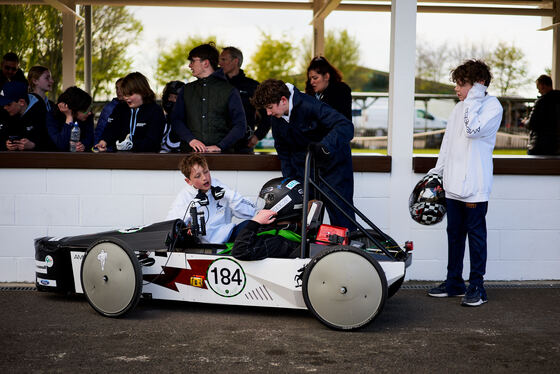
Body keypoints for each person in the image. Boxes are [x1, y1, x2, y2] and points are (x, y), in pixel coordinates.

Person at [426, 59, 503, 307]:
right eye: (456, 85)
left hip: (476, 187)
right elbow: (447, 143)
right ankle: (454, 283)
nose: (456, 90)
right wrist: (436, 173)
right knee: (454, 235)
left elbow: (472, 130)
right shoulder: (459, 108)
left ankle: (477, 287)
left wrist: (474, 99)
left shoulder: (492, 107)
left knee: (476, 236)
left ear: (479, 85)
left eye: (461, 84)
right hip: (453, 184)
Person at [252, 79, 357, 231]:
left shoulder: (310, 106)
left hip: (334, 169)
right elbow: (283, 150)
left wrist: (324, 147)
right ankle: (309, 253)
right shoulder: (276, 117)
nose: (268, 113)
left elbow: (345, 126)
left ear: (283, 100)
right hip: (304, 171)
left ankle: (348, 252)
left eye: (270, 107)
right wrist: (290, 183)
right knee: (305, 220)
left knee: (341, 216)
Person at [170, 43, 246, 153]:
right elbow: (176, 120)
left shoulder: (229, 90)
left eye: (192, 61)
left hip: (223, 158)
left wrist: (220, 146)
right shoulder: (186, 90)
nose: (190, 65)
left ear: (205, 63)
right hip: (190, 157)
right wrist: (191, 140)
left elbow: (240, 125)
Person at [166, 154, 256, 244]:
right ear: (188, 181)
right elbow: (169, 228)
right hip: (201, 248)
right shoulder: (185, 196)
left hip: (228, 239)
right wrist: (194, 206)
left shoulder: (218, 186)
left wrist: (229, 194)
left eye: (206, 172)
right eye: (198, 176)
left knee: (256, 224)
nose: (204, 178)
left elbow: (252, 212)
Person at [231, 177, 303, 260]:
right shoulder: (293, 231)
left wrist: (255, 222)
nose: (263, 206)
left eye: (265, 201)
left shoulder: (277, 242)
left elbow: (240, 251)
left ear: (280, 203)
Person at [95, 72, 165, 153]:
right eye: (125, 94)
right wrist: (104, 141)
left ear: (142, 92)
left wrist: (132, 145)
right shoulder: (120, 108)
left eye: (130, 94)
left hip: (147, 159)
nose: (126, 98)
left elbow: (153, 141)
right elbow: (111, 129)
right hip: (120, 159)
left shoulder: (155, 110)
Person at [219, 46, 271, 153]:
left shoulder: (253, 86)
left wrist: (257, 136)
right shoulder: (216, 85)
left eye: (224, 59)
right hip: (218, 144)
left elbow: (267, 114)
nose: (220, 63)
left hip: (243, 145)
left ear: (235, 61)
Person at [0, 80, 54, 151]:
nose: (5, 107)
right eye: (3, 104)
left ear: (21, 102)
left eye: (8, 104)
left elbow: (53, 143)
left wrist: (34, 145)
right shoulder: (6, 113)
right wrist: (6, 144)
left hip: (36, 160)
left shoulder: (42, 113)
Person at [46, 86, 94, 152]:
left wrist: (83, 145)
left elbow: (90, 139)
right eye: (85, 110)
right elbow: (61, 145)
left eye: (90, 108)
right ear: (73, 109)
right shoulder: (52, 116)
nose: (89, 113)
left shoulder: (87, 117)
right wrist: (69, 117)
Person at [525, 74, 560, 155]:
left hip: (539, 147)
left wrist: (525, 122)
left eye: (538, 87)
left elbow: (532, 124)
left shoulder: (541, 102)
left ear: (543, 85)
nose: (538, 91)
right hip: (557, 148)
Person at [94, 77, 125, 145]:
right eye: (117, 88)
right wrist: (97, 145)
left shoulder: (134, 107)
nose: (118, 91)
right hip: (108, 147)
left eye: (122, 88)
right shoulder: (109, 107)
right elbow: (101, 128)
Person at [160, 80, 185, 153]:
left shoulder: (189, 123)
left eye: (175, 97)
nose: (170, 100)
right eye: (169, 96)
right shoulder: (161, 120)